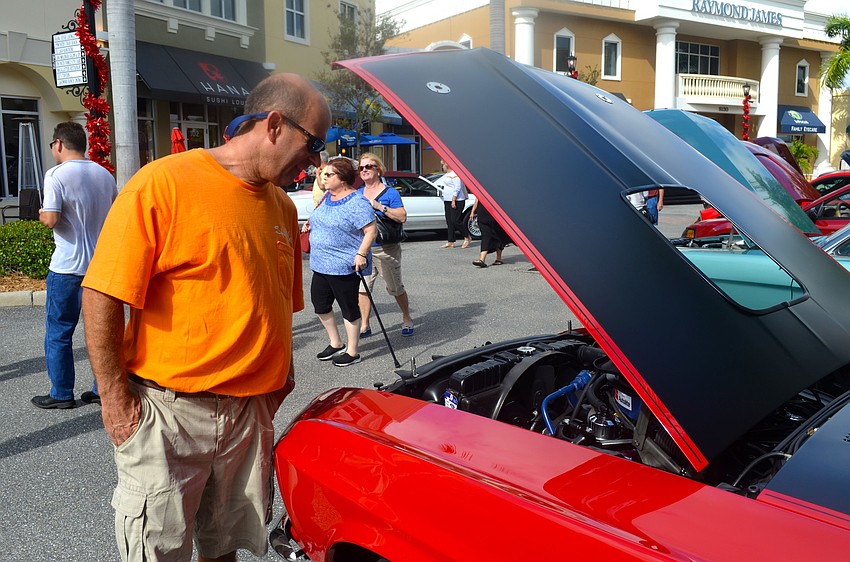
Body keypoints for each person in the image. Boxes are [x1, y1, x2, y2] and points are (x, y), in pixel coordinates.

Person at [81, 73, 330, 562]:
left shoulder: (280, 205)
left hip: (247, 418)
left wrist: (280, 380)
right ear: (275, 124)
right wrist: (115, 402)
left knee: (225, 549)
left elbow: (276, 302)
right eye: (314, 142)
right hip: (168, 416)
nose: (317, 160)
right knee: (160, 551)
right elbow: (103, 294)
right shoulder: (165, 182)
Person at [31, 121, 117, 410]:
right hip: (101, 268)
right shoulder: (105, 175)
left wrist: (43, 214)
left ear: (58, 144)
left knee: (59, 331)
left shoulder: (55, 174)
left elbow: (52, 219)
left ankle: (61, 393)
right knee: (102, 333)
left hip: (67, 268)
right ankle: (101, 390)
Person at [303, 157, 377, 366]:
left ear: (343, 178)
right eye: (323, 174)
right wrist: (310, 225)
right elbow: (319, 217)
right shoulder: (327, 196)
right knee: (320, 305)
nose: (323, 177)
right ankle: (335, 343)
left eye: (328, 174)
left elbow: (371, 231)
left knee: (348, 308)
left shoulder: (357, 202)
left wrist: (361, 254)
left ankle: (352, 351)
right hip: (320, 263)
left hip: (344, 265)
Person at [357, 152, 415, 337]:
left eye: (368, 166)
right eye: (361, 168)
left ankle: (406, 317)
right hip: (363, 249)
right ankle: (364, 325)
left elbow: (402, 216)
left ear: (378, 169)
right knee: (363, 288)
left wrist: (378, 206)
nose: (364, 170)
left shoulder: (390, 192)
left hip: (386, 248)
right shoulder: (357, 193)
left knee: (395, 287)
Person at [438, 160, 471, 248]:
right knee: (449, 221)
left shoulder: (455, 175)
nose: (442, 167)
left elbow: (457, 188)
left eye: (443, 165)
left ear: (447, 165)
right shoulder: (447, 175)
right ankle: (451, 241)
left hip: (457, 200)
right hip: (447, 200)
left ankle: (466, 237)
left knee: (455, 220)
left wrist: (453, 200)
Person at [469, 198, 507, 268]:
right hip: (482, 214)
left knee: (498, 235)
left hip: (494, 213)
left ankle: (498, 258)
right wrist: (473, 211)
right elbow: (477, 198)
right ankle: (482, 260)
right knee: (485, 236)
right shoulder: (482, 187)